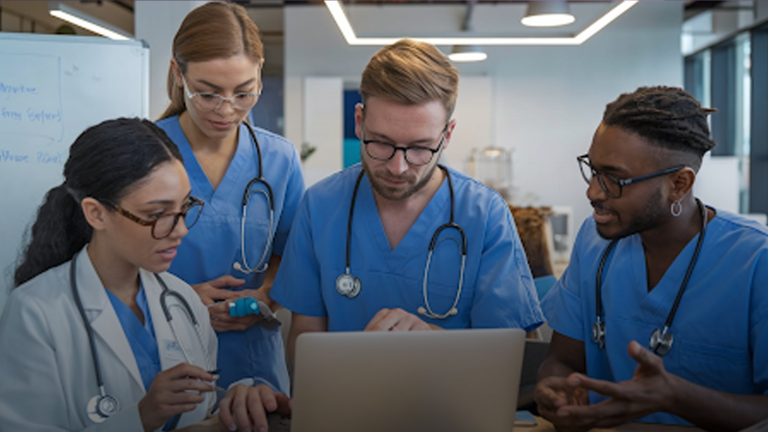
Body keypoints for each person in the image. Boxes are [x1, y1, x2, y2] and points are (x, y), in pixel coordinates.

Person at [0, 118, 289, 432]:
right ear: (95, 213)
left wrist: (235, 402)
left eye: (184, 208)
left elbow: (199, 408)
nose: (179, 230)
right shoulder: (35, 311)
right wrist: (140, 417)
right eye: (157, 215)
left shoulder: (183, 300)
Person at [270, 39, 544, 366]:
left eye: (419, 148)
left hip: (454, 411)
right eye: (382, 143)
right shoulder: (320, 207)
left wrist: (433, 343)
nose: (398, 168)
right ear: (359, 122)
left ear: (447, 135)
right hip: (346, 409)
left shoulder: (485, 216)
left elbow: (509, 356)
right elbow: (304, 341)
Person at [534, 86, 768, 430]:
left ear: (679, 184)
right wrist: (555, 391)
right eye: (593, 170)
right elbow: (562, 359)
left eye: (614, 179)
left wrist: (674, 396)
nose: (593, 192)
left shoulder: (755, 262)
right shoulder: (594, 240)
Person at [156, 2, 304, 395]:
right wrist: (177, 298)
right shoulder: (141, 153)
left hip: (251, 359)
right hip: (160, 351)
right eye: (207, 94)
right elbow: (107, 262)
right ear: (178, 74)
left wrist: (264, 295)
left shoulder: (278, 159)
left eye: (244, 93)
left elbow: (292, 255)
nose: (226, 110)